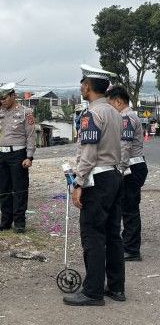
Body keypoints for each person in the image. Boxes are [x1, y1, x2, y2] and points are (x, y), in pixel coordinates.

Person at [63, 64, 124, 306]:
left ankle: (93, 292)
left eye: (82, 83)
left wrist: (78, 183)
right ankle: (116, 287)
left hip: (96, 180)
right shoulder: (114, 113)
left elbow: (88, 154)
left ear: (87, 86)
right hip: (114, 176)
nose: (80, 86)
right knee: (112, 234)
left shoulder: (91, 115)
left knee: (93, 235)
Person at [107, 85, 148, 261]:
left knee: (130, 209)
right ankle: (128, 245)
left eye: (110, 104)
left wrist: (119, 169)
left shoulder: (126, 118)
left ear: (118, 101)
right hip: (131, 167)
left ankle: (132, 250)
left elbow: (125, 146)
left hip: (131, 168)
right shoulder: (126, 117)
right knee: (126, 208)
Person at [0, 82, 36, 233]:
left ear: (13, 96)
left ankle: (20, 223)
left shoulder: (25, 112)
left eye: (4, 97)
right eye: (0, 98)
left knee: (19, 190)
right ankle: (5, 222)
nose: (2, 101)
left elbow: (30, 136)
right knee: (3, 189)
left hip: (18, 154)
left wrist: (29, 157)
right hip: (2, 154)